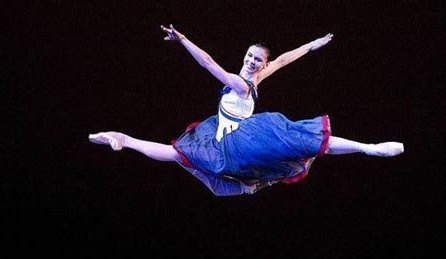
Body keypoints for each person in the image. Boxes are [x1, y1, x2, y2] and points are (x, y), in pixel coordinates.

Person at [89, 24, 404, 196]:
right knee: (176, 154)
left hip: (239, 140)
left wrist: (184, 40)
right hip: (225, 141)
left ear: (262, 64)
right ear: (246, 56)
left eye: (258, 60)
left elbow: (211, 63)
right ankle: (124, 139)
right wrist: (310, 45)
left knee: (303, 141)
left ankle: (369, 148)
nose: (253, 61)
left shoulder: (242, 84)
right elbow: (278, 60)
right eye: (250, 56)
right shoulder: (248, 80)